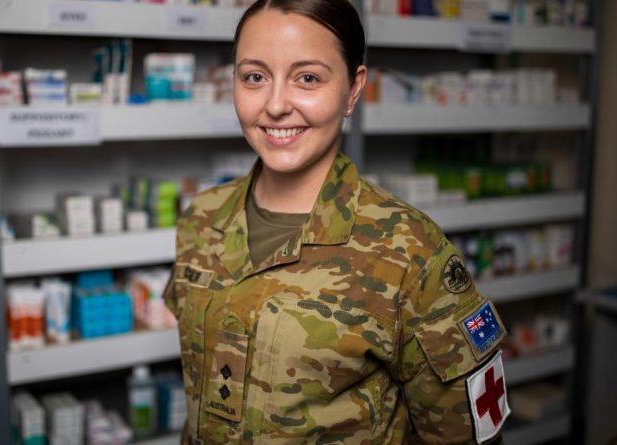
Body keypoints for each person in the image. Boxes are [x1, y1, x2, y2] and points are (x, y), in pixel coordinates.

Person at [163, 0, 510, 443]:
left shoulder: (409, 250)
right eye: (254, 76)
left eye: (307, 78)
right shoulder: (201, 218)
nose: (275, 105)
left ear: (352, 89)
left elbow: (464, 434)